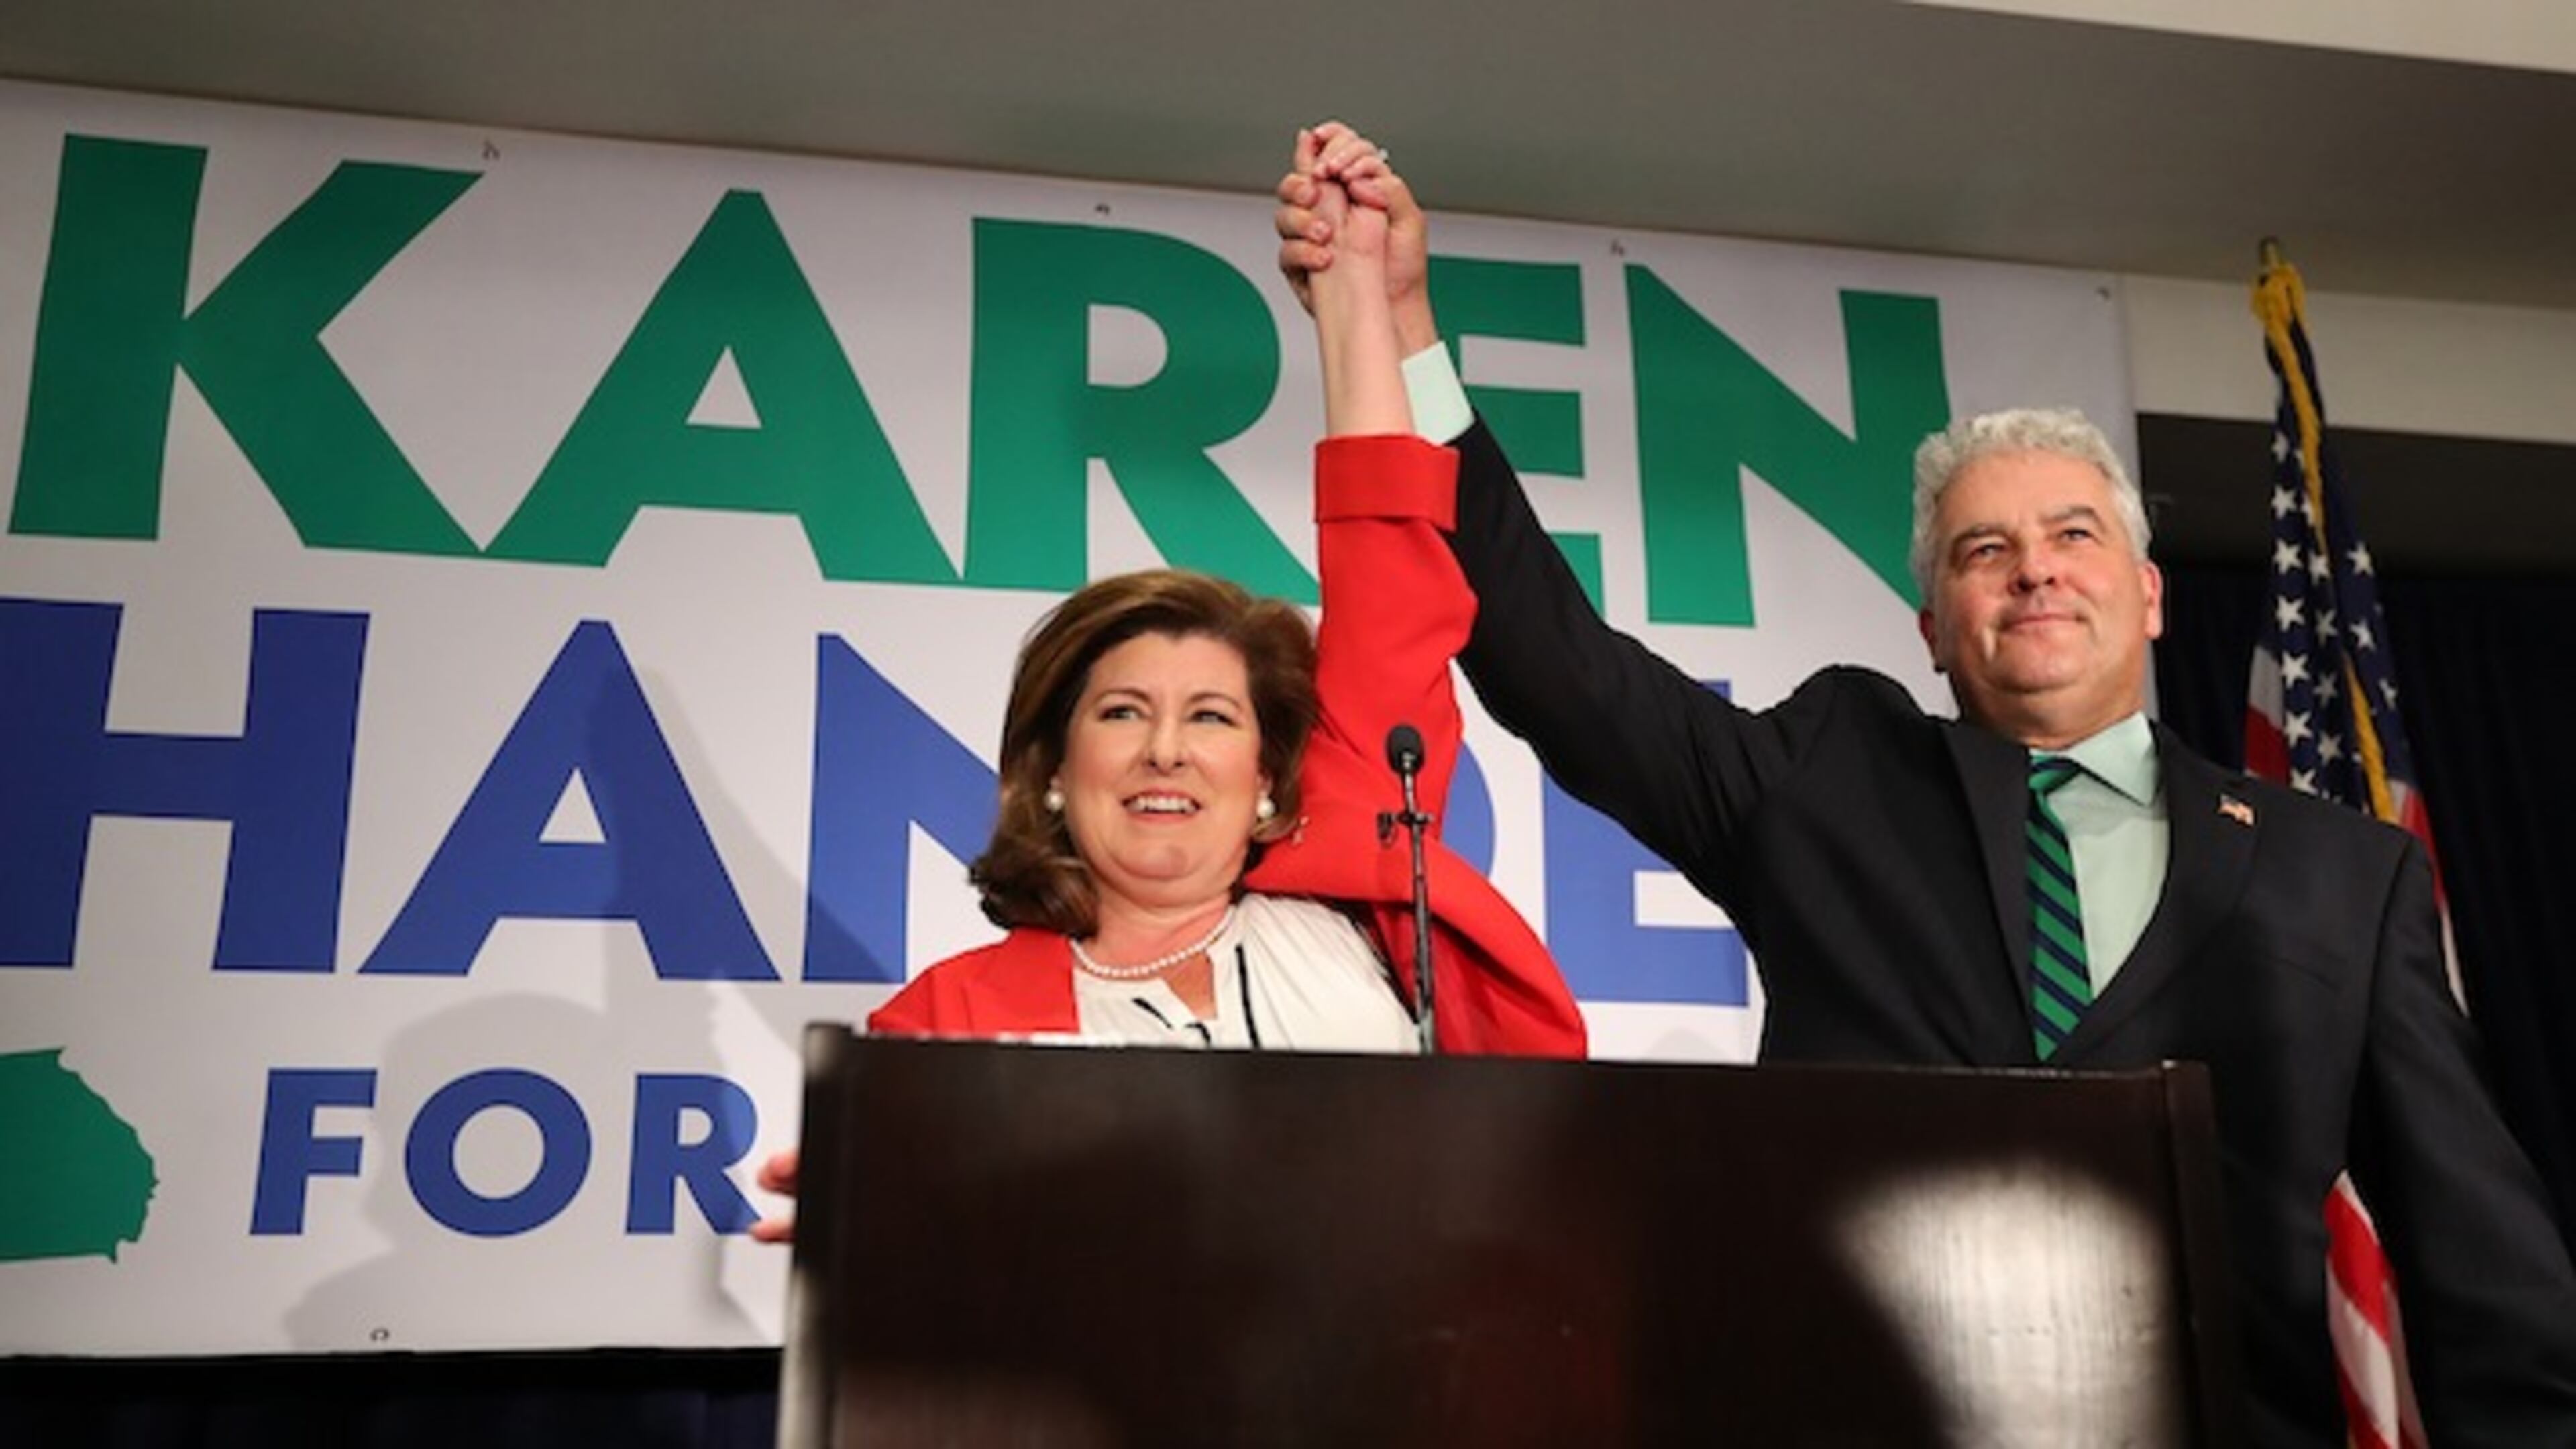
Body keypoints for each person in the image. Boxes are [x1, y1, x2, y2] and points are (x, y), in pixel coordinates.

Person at [1273, 122, 2576, 1446]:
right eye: (1983, 550)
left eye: (2076, 536)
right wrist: (1398, 328)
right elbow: (1559, 668)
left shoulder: (2341, 873)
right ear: (1933, 627)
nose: (2036, 569)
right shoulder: (1829, 773)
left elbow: (2486, 1271)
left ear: (2150, 594)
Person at [753, 146, 1585, 1239]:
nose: (1166, 752)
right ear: (1052, 775)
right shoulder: (951, 1023)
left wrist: (1354, 296)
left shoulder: (1354, 907)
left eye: (1212, 718)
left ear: (1271, 783)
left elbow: (1389, 561)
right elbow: (927, 1274)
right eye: (1121, 713)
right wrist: (882, 1231)